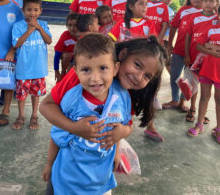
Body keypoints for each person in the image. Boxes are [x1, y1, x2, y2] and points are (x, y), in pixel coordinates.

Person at [40, 37, 166, 180]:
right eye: (137, 65)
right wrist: (74, 128)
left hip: (98, 173)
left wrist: (119, 136)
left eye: (147, 76)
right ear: (123, 55)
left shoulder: (126, 94)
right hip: (66, 168)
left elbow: (123, 123)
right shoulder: (82, 78)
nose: (138, 77)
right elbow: (46, 106)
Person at [45, 34, 132, 194]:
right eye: (86, 70)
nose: (95, 78)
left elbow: (119, 125)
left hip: (101, 183)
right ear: (75, 71)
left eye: (103, 68)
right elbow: (57, 135)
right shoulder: (71, 100)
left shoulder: (121, 96)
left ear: (116, 68)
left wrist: (117, 151)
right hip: (69, 181)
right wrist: (49, 165)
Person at [0, 0, 39, 106]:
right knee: (4, 60)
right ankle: (3, 92)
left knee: (18, 60)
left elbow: (35, 7)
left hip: (22, 29)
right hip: (5, 28)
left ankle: (16, 89)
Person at [11, 0, 52, 130]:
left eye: (35, 10)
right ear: (23, 11)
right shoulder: (18, 26)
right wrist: (29, 30)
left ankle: (34, 115)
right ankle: (21, 116)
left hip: (38, 69)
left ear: (40, 11)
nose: (32, 13)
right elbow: (16, 44)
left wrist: (39, 28)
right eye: (29, 10)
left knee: (36, 94)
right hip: (23, 69)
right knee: (21, 96)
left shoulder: (44, 25)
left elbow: (49, 41)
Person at [162, 0, 205, 112]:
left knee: (189, 79)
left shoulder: (207, 13)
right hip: (179, 50)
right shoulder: (184, 10)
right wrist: (170, 44)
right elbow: (174, 27)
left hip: (195, 54)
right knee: (174, 75)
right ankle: (174, 100)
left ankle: (182, 102)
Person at [184, 0, 219, 123]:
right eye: (206, 0)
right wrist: (187, 55)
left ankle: (201, 115)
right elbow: (188, 35)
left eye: (212, 1)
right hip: (194, 57)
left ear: (217, 3)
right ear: (202, 2)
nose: (208, 3)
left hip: (210, 61)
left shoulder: (217, 18)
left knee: (207, 91)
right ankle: (192, 109)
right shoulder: (194, 17)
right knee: (193, 85)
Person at [0, 0, 23, 126]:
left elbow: (19, 31)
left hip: (8, 54)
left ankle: (5, 111)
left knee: (7, 82)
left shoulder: (16, 9)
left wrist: (12, 50)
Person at [187, 21, 220, 143]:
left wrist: (212, 46)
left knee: (219, 100)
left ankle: (218, 129)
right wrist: (211, 50)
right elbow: (199, 46)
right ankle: (199, 125)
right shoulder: (211, 29)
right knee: (204, 97)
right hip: (207, 69)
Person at [54, 13, 78, 82]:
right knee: (67, 55)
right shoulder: (65, 35)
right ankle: (63, 74)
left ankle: (68, 77)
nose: (72, 28)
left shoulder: (82, 36)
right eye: (70, 25)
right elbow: (57, 54)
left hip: (78, 59)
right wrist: (56, 71)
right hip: (67, 59)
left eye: (75, 25)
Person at [162, 0, 175, 72]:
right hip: (159, 36)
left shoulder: (171, 11)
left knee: (167, 58)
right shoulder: (159, 7)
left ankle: (173, 79)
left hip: (167, 37)